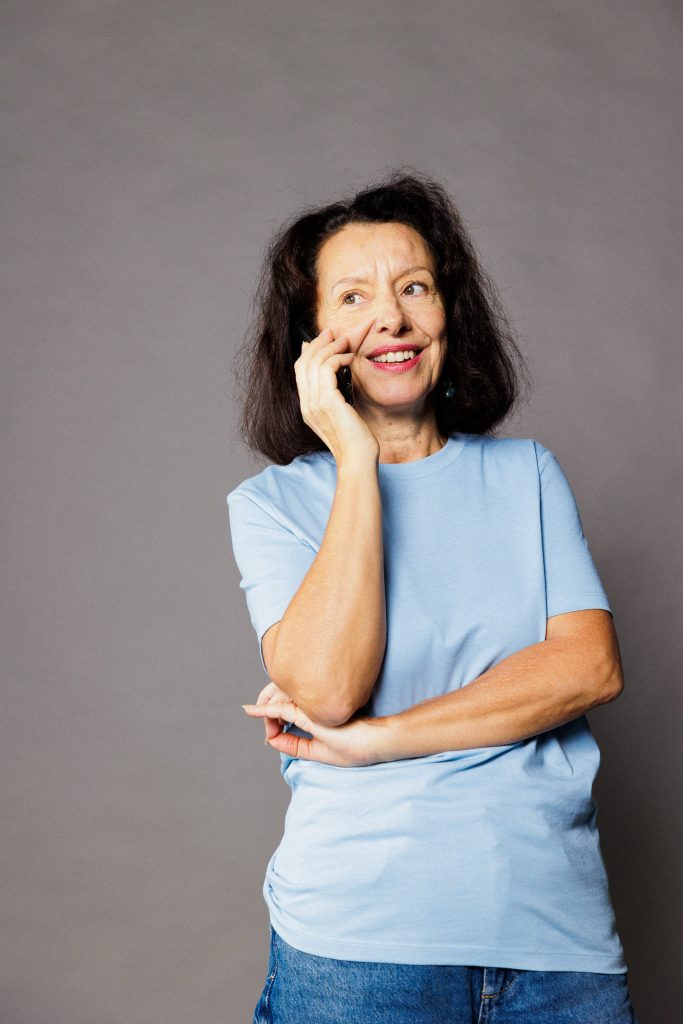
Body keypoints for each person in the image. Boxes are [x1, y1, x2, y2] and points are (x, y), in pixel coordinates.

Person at [226, 170, 639, 1023]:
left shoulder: (525, 474)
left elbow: (587, 670)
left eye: (414, 287)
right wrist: (351, 457)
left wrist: (379, 741)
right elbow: (330, 687)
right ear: (311, 338)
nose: (392, 319)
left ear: (450, 313)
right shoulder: (270, 506)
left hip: (555, 946)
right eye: (352, 296)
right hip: (358, 951)